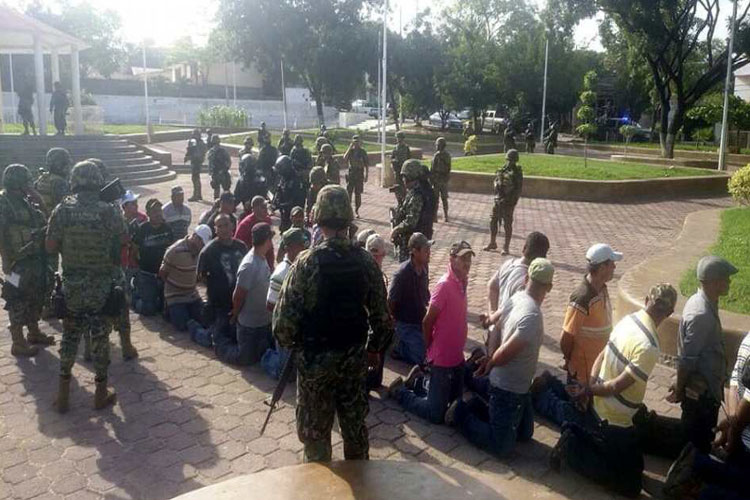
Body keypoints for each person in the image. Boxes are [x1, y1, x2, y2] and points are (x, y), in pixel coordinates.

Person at [273, 185, 392, 462]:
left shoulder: (306, 263)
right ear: (349, 219)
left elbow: (282, 327)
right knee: (355, 436)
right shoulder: (365, 262)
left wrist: (305, 347)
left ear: (317, 217)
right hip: (353, 365)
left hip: (315, 367)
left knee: (316, 443)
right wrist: (373, 349)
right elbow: (384, 322)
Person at [549, 284, 678, 498]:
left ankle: (589, 437)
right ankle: (573, 448)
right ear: (670, 313)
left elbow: (602, 355)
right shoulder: (649, 346)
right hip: (614, 417)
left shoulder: (628, 320)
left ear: (647, 300)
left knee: (634, 464)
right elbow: (618, 385)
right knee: (629, 486)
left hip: (603, 405)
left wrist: (590, 387)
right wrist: (589, 391)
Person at [46, 161, 126, 412]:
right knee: (101, 339)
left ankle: (63, 395)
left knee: (70, 337)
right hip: (101, 287)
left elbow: (49, 246)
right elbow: (124, 240)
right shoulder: (109, 210)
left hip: (72, 287)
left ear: (75, 180)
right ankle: (100, 394)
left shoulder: (62, 210)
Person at [388, 241, 474, 425]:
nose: (467, 263)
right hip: (442, 359)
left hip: (457, 358)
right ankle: (400, 392)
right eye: (462, 258)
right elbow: (427, 321)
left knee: (453, 403)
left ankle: (418, 382)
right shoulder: (444, 285)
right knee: (436, 414)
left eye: (469, 258)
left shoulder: (462, 281)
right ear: (452, 259)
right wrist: (429, 350)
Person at [664, 331, 750, 500]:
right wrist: (734, 428)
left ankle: (696, 463)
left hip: (740, 434)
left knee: (737, 479)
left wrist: (732, 419)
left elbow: (734, 380)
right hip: (744, 442)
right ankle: (694, 491)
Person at [668, 256, 737, 453]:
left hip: (705, 390)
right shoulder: (702, 315)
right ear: (715, 282)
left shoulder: (703, 301)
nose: (730, 282)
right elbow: (687, 360)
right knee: (696, 444)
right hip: (701, 395)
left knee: (697, 439)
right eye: (726, 278)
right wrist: (679, 388)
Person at [0, 164, 53, 356]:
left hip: (34, 257)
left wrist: (38, 199)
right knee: (17, 299)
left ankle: (34, 331)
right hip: (17, 261)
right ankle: (18, 342)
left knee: (36, 295)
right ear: (16, 182)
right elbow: (2, 234)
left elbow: (46, 220)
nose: (29, 185)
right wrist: (6, 261)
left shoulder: (26, 200)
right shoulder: (4, 201)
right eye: (25, 182)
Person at [214, 223, 274, 365]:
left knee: (259, 355)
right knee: (244, 359)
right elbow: (239, 295)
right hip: (249, 325)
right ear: (266, 241)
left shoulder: (262, 258)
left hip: (263, 321)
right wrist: (235, 313)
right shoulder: (249, 265)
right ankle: (218, 342)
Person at [561, 243, 620, 384]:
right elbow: (566, 337)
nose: (615, 267)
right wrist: (569, 362)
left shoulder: (602, 289)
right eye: (612, 264)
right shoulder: (582, 298)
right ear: (601, 268)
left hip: (598, 368)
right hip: (582, 373)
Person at [483, 232, 551, 355]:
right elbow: (507, 312)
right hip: (504, 336)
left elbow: (492, 286)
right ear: (543, 258)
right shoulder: (527, 282)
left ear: (524, 248)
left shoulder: (509, 263)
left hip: (494, 329)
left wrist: (491, 312)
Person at [194, 214, 248, 348]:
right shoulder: (208, 251)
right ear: (215, 230)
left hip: (239, 302)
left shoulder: (241, 246)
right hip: (219, 304)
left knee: (237, 337)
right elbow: (200, 277)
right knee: (216, 340)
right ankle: (195, 328)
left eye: (226, 225)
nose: (224, 229)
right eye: (219, 226)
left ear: (233, 226)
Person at [262, 227, 309, 379]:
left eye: (304, 244)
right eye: (300, 245)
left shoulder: (301, 267)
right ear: (288, 247)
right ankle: (265, 356)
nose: (304, 248)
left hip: (298, 329)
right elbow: (270, 305)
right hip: (284, 329)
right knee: (284, 374)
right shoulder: (281, 273)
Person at [388, 233, 432, 366]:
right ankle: (396, 344)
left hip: (419, 321)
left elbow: (426, 296)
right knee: (421, 358)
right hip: (405, 324)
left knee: (437, 350)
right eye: (426, 250)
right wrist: (392, 324)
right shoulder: (402, 274)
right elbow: (390, 302)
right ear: (414, 251)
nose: (429, 253)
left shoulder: (424, 268)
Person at [159, 225, 211, 331]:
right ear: (195, 237)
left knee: (205, 319)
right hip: (175, 296)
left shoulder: (201, 253)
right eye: (201, 242)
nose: (202, 246)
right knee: (182, 325)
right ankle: (168, 309)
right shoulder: (174, 251)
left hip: (192, 295)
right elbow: (162, 273)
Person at [131, 199, 175, 316]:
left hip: (163, 274)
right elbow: (134, 250)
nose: (158, 213)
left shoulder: (167, 228)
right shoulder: (142, 229)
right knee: (149, 309)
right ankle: (135, 296)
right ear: (148, 214)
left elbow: (172, 250)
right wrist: (138, 267)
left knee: (164, 307)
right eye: (154, 211)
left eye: (159, 210)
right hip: (147, 274)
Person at [390, 160, 434, 262]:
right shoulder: (418, 191)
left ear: (410, 177)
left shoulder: (417, 195)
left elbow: (411, 222)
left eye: (404, 177)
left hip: (413, 244)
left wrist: (396, 230)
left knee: (409, 273)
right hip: (418, 241)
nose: (403, 180)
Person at [484, 149, 523, 254]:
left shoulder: (517, 173)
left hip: (508, 202)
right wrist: (497, 187)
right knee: (493, 220)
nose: (510, 162)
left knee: (507, 223)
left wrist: (510, 200)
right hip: (498, 200)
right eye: (508, 160)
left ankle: (506, 246)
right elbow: (496, 181)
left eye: (512, 160)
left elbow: (517, 189)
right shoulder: (503, 169)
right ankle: (492, 242)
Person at [234, 195, 274, 269]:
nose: (266, 209)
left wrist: (271, 265)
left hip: (265, 262)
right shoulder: (245, 224)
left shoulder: (268, 221)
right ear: (255, 209)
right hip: (250, 263)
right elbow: (237, 246)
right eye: (263, 207)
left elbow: (270, 246)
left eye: (266, 206)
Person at [273, 155, 307, 233]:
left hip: (295, 216)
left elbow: (296, 202)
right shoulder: (284, 178)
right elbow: (279, 190)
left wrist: (280, 205)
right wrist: (275, 202)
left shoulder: (296, 181)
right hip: (285, 215)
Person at [35, 148, 72, 216]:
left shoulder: (42, 179)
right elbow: (66, 206)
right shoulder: (59, 182)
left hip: (43, 218)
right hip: (54, 219)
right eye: (65, 164)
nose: (68, 168)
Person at [343, 135, 369, 218]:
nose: (356, 144)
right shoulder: (351, 151)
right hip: (351, 174)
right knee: (349, 193)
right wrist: (350, 147)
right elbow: (345, 158)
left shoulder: (363, 152)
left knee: (358, 193)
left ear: (360, 142)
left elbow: (366, 164)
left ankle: (357, 210)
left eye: (357, 142)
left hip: (359, 174)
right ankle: (348, 210)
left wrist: (366, 175)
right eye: (354, 142)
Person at [430, 137, 451, 222]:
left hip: (438, 179)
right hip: (443, 180)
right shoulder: (447, 155)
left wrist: (431, 179)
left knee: (437, 199)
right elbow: (449, 168)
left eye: (437, 145)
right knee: (444, 199)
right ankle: (445, 216)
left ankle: (436, 216)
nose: (436, 146)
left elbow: (432, 168)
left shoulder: (437, 155)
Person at [184, 128, 207, 201]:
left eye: (194, 134)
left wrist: (189, 156)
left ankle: (196, 195)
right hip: (196, 161)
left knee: (195, 178)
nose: (192, 136)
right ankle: (198, 194)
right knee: (196, 178)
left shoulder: (199, 143)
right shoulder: (199, 142)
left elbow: (197, 154)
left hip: (196, 162)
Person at [207, 135, 232, 200]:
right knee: (223, 189)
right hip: (220, 173)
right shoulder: (222, 151)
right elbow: (229, 162)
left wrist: (211, 172)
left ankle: (218, 202)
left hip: (219, 173)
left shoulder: (211, 151)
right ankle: (227, 202)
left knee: (219, 190)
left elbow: (210, 163)